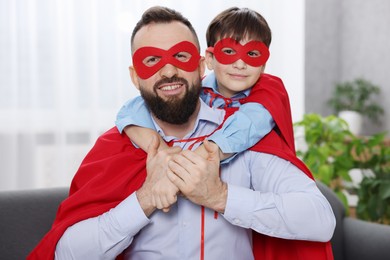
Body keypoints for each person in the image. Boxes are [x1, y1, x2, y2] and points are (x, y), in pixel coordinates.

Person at [28, 6, 335, 260]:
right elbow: (66, 253)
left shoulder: (245, 137)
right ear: (135, 77)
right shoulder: (118, 144)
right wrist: (145, 198)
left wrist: (220, 196)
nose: (169, 71)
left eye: (181, 57)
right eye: (151, 60)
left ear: (203, 65)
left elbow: (320, 219)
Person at [115, 7, 298, 212]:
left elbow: (247, 125)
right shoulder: (195, 89)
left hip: (253, 195)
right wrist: (164, 155)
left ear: (264, 63)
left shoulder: (269, 94)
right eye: (228, 52)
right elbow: (130, 111)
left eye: (253, 54)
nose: (240, 63)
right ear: (209, 60)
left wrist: (178, 171)